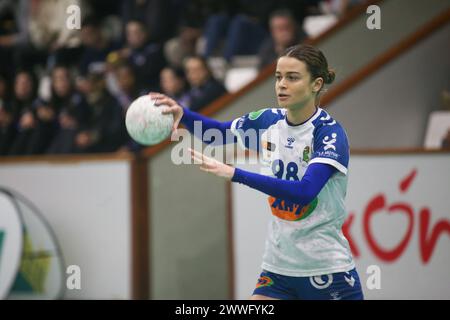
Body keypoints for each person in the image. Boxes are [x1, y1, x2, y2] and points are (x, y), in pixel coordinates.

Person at [149, 44, 364, 300]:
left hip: (327, 271)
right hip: (277, 269)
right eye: (278, 77)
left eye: (292, 77)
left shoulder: (328, 133)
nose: (281, 84)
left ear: (316, 84)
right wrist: (184, 114)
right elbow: (217, 134)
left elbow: (305, 192)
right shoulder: (268, 121)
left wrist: (236, 174)